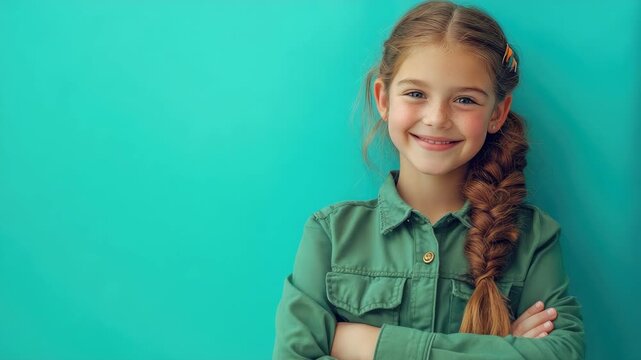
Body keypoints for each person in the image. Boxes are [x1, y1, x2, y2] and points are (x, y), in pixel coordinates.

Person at [272, 0, 585, 359]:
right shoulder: (330, 234)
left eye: (465, 99)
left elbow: (563, 353)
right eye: (416, 94)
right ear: (383, 99)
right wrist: (501, 349)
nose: (437, 118)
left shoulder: (533, 238)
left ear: (497, 113)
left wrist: (372, 345)